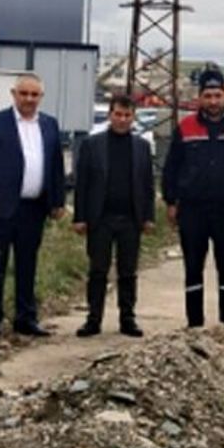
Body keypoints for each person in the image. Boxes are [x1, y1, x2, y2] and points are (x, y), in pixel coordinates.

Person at [0, 73, 67, 338]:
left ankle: (26, 318)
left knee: (27, 265)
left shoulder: (49, 125)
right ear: (14, 94)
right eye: (24, 93)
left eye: (34, 94)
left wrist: (58, 201)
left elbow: (56, 166)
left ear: (41, 97)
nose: (29, 99)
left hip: (34, 209)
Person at [162, 67, 224, 327]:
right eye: (208, 96)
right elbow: (171, 167)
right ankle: (195, 325)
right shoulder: (186, 127)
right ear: (200, 97)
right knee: (193, 267)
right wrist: (171, 202)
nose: (213, 101)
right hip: (193, 210)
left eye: (217, 95)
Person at [71, 95, 156, 338]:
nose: (122, 119)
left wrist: (148, 216)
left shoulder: (141, 147)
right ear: (110, 115)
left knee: (128, 272)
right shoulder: (92, 145)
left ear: (133, 117)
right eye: (118, 114)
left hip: (130, 218)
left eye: (127, 115)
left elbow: (147, 185)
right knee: (98, 270)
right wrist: (80, 217)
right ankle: (93, 319)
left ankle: (127, 319)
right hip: (100, 219)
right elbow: (82, 184)